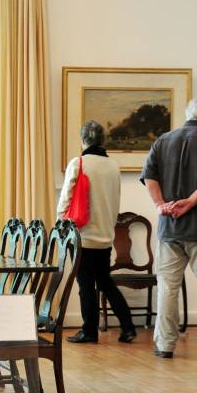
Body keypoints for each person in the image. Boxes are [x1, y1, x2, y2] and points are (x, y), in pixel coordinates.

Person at [140, 98, 197, 359]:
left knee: (167, 287)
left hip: (170, 227)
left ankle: (165, 345)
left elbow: (149, 175)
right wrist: (190, 202)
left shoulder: (163, 140)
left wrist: (160, 205)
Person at [58, 120, 137, 344]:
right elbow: (115, 199)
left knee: (85, 285)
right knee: (105, 282)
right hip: (105, 235)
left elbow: (65, 200)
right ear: (103, 140)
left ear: (83, 140)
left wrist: (61, 225)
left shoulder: (79, 163)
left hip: (82, 235)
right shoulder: (113, 166)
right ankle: (128, 326)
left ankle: (89, 331)